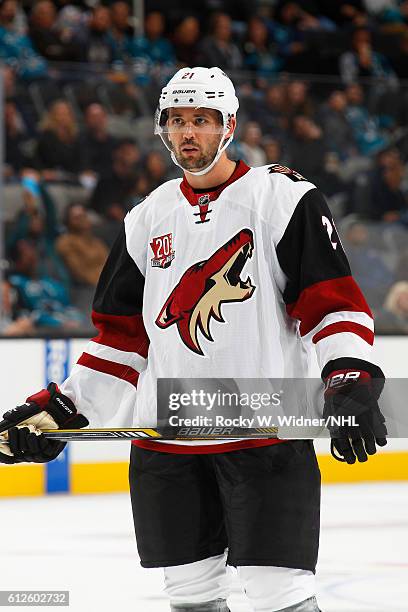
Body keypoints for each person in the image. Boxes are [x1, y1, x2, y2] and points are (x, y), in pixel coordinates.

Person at [0, 67, 387, 612]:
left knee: (281, 598)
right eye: (177, 121)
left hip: (264, 438)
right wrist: (64, 413)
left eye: (201, 120)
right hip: (168, 444)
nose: (189, 133)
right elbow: (122, 342)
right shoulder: (145, 218)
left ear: (228, 126)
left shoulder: (283, 198)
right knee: (191, 598)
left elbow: (334, 305)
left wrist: (349, 374)